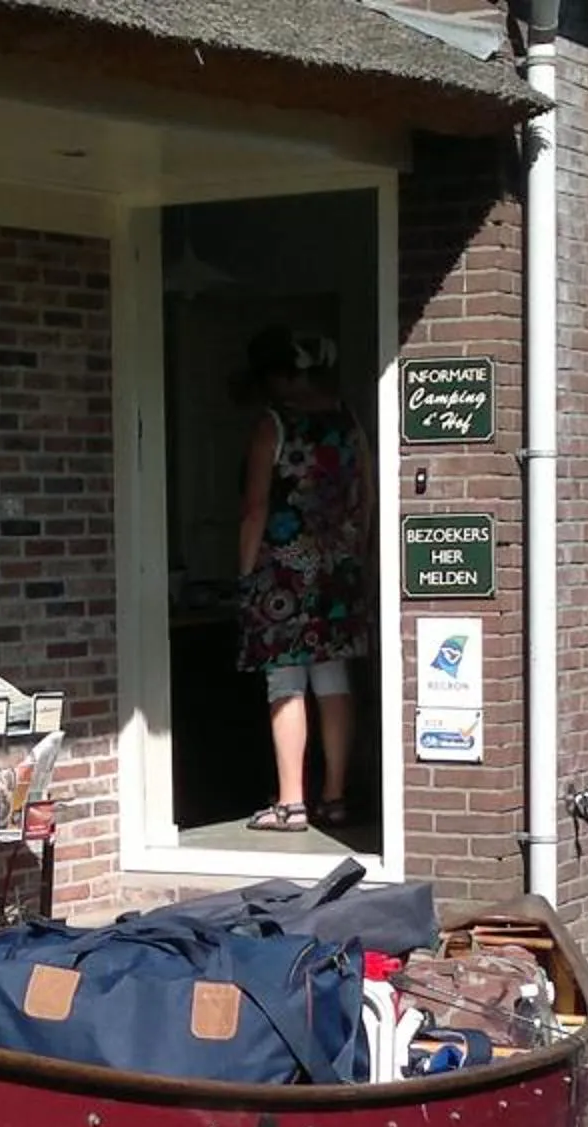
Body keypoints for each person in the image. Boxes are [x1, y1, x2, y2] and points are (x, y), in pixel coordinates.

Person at [234, 326, 375, 833]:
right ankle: (335, 796)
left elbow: (254, 509)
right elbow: (367, 490)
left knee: (285, 682)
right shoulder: (348, 420)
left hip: (283, 575)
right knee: (334, 679)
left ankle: (291, 802)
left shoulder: (273, 425)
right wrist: (355, 553)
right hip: (338, 571)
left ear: (282, 377)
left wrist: (246, 574)